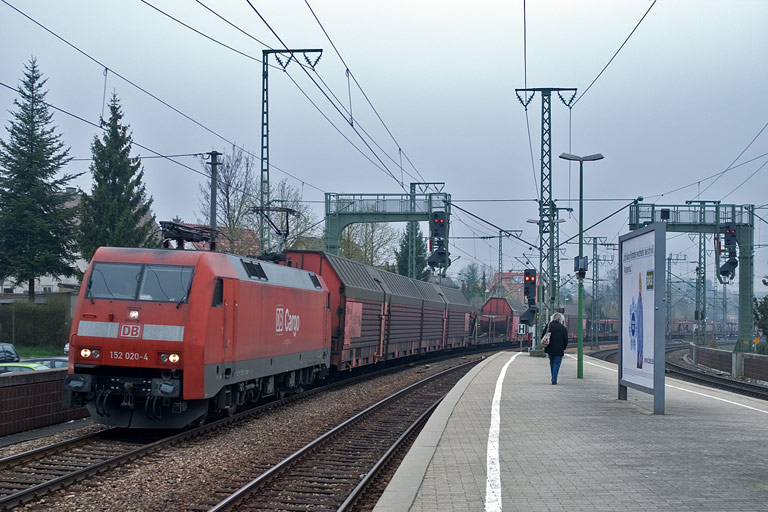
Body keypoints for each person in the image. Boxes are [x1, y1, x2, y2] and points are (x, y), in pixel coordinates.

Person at [543, 312, 568, 385]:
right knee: (557, 363)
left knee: (552, 362)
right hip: (559, 349)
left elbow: (543, 336)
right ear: (561, 319)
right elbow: (566, 339)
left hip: (550, 348)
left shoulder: (548, 326)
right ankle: (554, 379)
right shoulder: (562, 328)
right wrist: (564, 347)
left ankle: (553, 377)